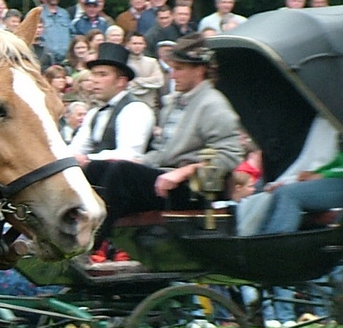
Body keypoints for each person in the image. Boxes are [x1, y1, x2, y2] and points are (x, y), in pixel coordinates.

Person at [82, 35, 243, 230]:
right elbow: (160, 150)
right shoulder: (174, 102)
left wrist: (184, 172)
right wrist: (141, 161)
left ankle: (91, 240)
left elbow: (230, 155)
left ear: (200, 70)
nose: (173, 75)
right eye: (173, 68)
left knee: (121, 173)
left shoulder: (213, 105)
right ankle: (78, 233)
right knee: (95, 168)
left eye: (179, 69)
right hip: (164, 179)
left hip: (192, 189)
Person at [237, 115, 343, 236]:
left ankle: (277, 241)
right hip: (336, 177)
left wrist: (323, 175)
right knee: (278, 192)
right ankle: (260, 237)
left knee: (289, 194)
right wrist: (295, 179)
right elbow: (333, 162)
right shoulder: (326, 121)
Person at [68, 43, 154, 165]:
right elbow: (76, 148)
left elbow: (128, 155)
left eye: (102, 74)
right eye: (93, 74)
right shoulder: (94, 113)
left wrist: (87, 159)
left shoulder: (135, 110)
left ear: (121, 82)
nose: (94, 80)